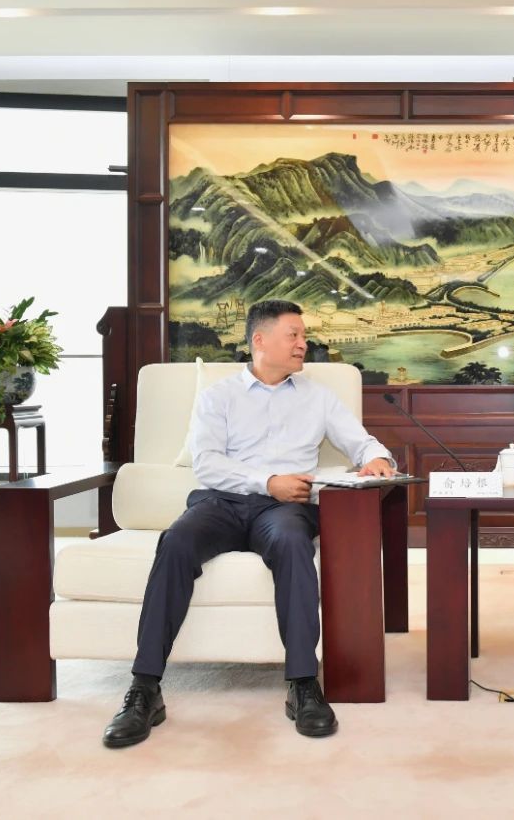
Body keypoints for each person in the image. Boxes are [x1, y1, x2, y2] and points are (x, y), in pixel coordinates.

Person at [103, 299, 396, 748]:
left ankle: (303, 685)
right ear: (260, 340)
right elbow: (207, 463)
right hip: (222, 503)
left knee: (294, 543)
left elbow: (362, 443)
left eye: (303, 336)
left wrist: (376, 457)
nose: (303, 344)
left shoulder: (317, 397)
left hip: (284, 511)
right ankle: (145, 688)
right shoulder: (218, 396)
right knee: (176, 541)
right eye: (293, 335)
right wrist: (268, 481)